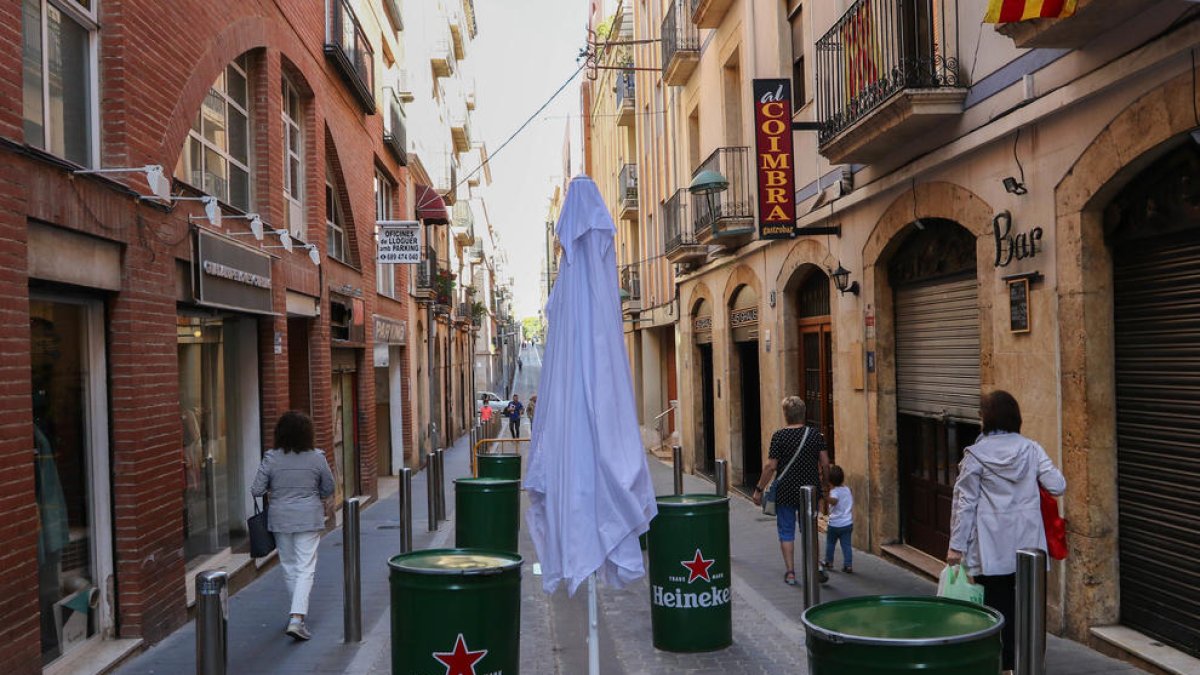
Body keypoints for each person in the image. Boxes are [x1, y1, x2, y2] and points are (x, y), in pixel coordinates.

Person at [947, 391, 1065, 673]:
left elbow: (965, 504)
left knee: (997, 608)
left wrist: (956, 547)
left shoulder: (975, 455)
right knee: (1029, 607)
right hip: (1029, 548)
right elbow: (1058, 485)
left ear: (986, 419)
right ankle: (1029, 663)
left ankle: (1004, 665)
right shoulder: (1032, 449)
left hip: (992, 549)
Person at [251, 411, 335, 641]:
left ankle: (296, 616)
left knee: (289, 566)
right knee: (305, 567)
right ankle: (297, 618)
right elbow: (328, 487)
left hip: (280, 518)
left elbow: (256, 489)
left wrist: (276, 489)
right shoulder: (317, 457)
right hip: (308, 517)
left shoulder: (271, 458)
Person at [752, 396, 830, 586]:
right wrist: (825, 485)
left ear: (786, 415)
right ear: (803, 414)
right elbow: (825, 463)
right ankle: (816, 566)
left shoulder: (779, 436)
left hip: (785, 491)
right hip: (810, 490)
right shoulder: (815, 435)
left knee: (786, 531)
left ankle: (791, 573)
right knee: (810, 529)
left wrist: (759, 489)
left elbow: (771, 466)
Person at [822, 465, 853, 573]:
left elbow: (834, 501)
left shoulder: (834, 492)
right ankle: (848, 565)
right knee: (846, 545)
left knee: (830, 544)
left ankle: (829, 562)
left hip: (835, 524)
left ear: (830, 481)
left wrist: (826, 498)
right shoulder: (847, 489)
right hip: (847, 523)